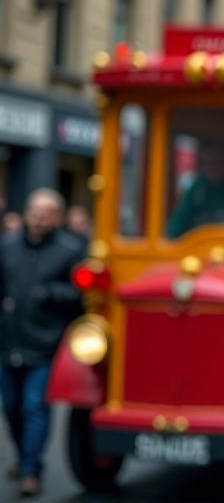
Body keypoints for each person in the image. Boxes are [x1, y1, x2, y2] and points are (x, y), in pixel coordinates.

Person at [0, 189, 85, 496]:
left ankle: (31, 469)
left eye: (44, 213)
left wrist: (51, 293)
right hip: (9, 340)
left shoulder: (70, 250)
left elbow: (80, 294)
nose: (36, 219)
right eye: (33, 212)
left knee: (35, 406)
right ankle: (23, 455)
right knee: (11, 407)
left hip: (46, 343)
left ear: (57, 218)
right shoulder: (7, 247)